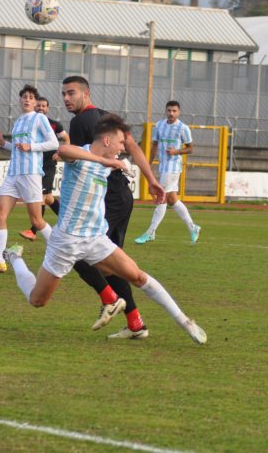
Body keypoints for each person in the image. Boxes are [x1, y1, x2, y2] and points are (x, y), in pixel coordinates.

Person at [3, 114, 206, 345]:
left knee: (138, 276)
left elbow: (134, 156)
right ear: (107, 141)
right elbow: (65, 150)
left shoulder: (117, 162)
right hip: (66, 242)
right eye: (121, 143)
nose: (123, 149)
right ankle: (14, 257)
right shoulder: (83, 156)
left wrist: (151, 179)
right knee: (37, 300)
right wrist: (106, 162)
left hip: (96, 240)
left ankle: (185, 322)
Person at [61, 75, 166, 340]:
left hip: (108, 197)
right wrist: (151, 180)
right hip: (121, 196)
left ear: (86, 93)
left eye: (71, 93)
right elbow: (133, 147)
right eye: (63, 94)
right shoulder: (110, 118)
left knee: (81, 255)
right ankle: (135, 323)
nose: (66, 99)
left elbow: (79, 160)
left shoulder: (79, 122)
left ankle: (110, 299)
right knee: (109, 260)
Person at [0, 84, 59, 274]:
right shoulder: (18, 121)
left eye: (31, 97)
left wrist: (30, 146)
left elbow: (54, 143)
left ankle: (61, 250)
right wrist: (2, 143)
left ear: (35, 101)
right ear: (20, 100)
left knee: (37, 220)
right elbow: (17, 147)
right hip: (13, 174)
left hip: (30, 174)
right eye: (24, 96)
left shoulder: (39, 118)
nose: (27, 99)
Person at [135, 100, 201, 246]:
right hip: (163, 166)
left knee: (161, 197)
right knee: (171, 199)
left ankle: (150, 232)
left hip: (173, 168)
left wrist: (176, 151)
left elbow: (190, 148)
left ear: (179, 112)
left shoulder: (183, 128)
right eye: (169, 110)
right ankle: (193, 227)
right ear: (166, 111)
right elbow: (154, 145)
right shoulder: (159, 125)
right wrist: (149, 163)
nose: (171, 113)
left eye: (174, 111)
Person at [19, 96, 70, 241]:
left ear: (47, 109)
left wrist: (61, 152)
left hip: (48, 166)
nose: (41, 108)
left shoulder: (54, 125)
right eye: (38, 106)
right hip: (35, 164)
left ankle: (33, 231)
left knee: (39, 196)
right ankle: (68, 222)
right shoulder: (29, 124)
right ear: (34, 106)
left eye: (43, 106)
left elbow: (66, 139)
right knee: (48, 199)